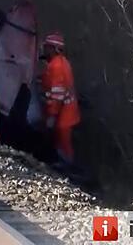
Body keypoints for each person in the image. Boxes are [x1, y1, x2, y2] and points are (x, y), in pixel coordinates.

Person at [41, 33, 80, 165]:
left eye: (47, 47)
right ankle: (63, 163)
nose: (44, 49)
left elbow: (57, 94)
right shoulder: (60, 63)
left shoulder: (56, 66)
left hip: (64, 112)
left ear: (54, 49)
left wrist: (51, 115)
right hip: (66, 110)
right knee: (61, 139)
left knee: (63, 140)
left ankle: (67, 167)